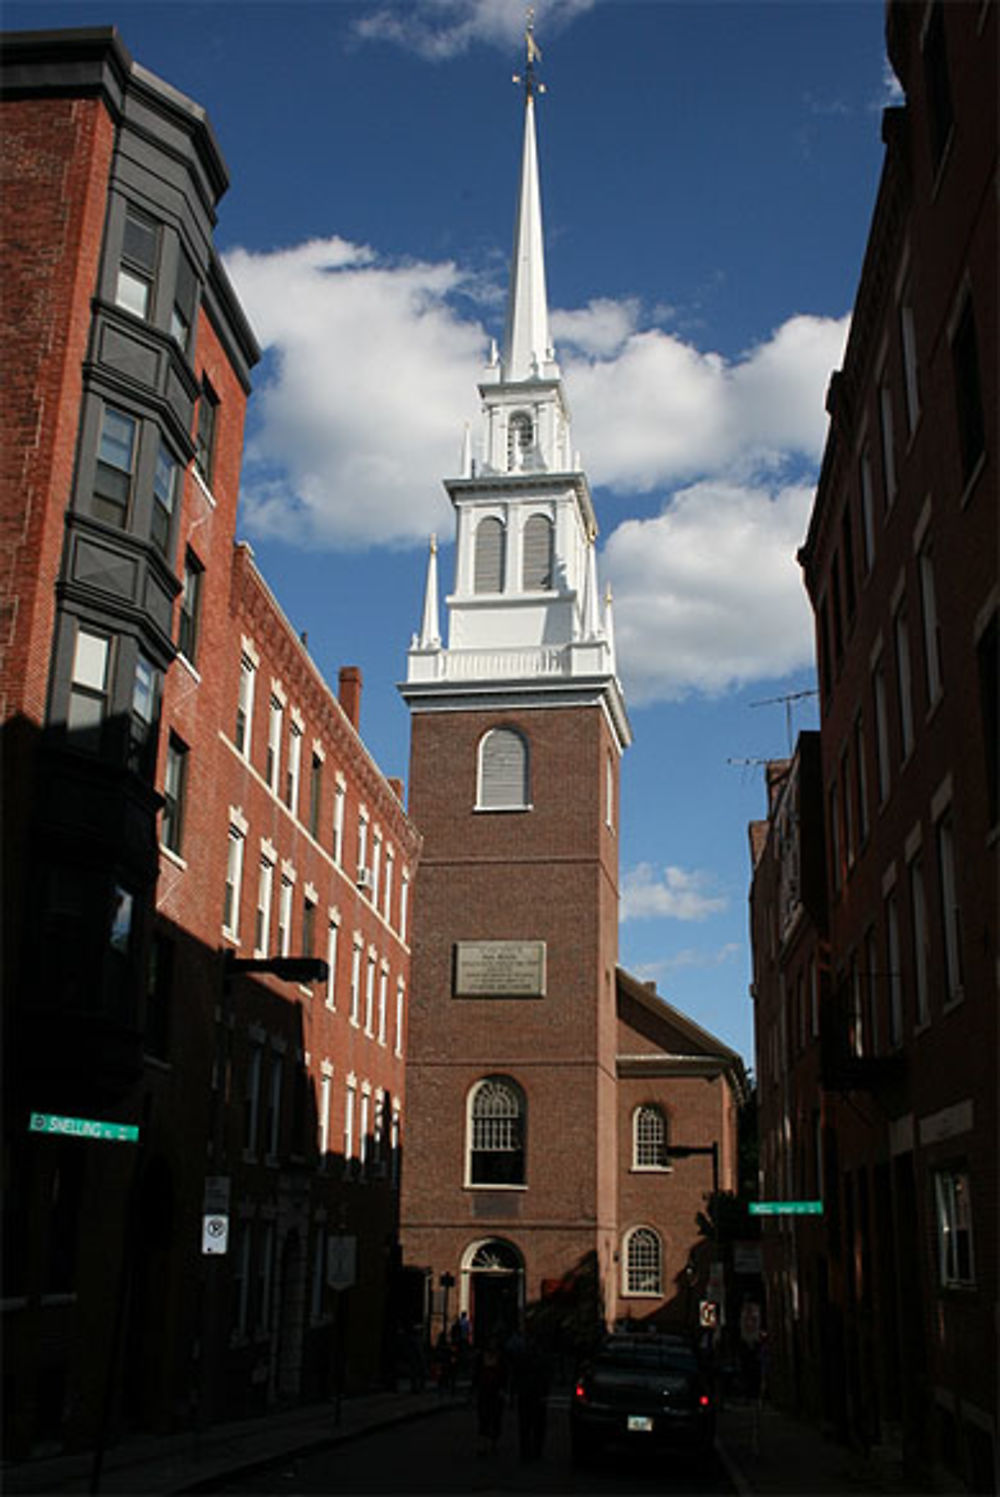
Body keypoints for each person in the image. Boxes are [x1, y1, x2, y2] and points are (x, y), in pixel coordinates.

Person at [510, 1333, 549, 1461]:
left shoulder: (523, 1357)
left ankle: (526, 1451)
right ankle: (534, 1451)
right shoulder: (541, 1358)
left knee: (525, 1425)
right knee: (536, 1426)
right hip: (535, 1394)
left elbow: (516, 1375)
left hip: (527, 1394)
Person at [473, 1336, 506, 1457]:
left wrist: (503, 1389)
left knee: (495, 1418)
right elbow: (476, 1374)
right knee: (484, 1417)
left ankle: (492, 1444)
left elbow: (504, 1375)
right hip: (484, 1391)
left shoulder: (500, 1358)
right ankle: (484, 1444)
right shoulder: (481, 1358)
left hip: (495, 1392)